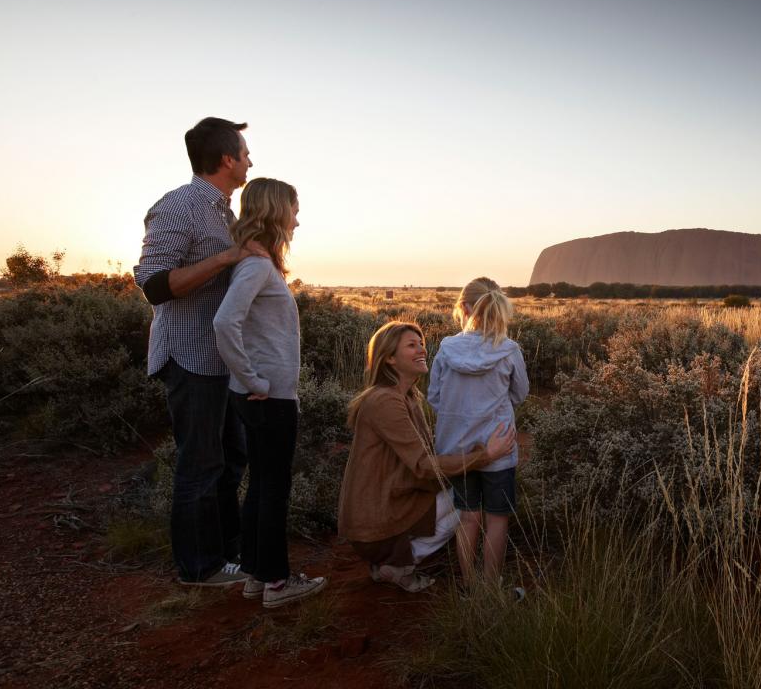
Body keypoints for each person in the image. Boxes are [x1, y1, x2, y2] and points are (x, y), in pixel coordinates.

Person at [133, 117, 264, 586]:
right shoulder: (180, 206)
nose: (251, 159)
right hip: (189, 357)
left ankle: (225, 556)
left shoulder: (226, 213)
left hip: (221, 359)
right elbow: (153, 285)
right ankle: (198, 569)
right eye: (245, 152)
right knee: (200, 464)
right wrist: (228, 257)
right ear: (227, 158)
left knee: (230, 459)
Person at [213, 178, 326, 608]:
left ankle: (256, 576)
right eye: (294, 210)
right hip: (267, 397)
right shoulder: (257, 267)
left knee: (261, 484)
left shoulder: (258, 263)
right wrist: (254, 379)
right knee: (273, 487)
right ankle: (278, 582)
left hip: (260, 394)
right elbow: (225, 324)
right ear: (277, 211)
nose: (298, 219)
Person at [337, 321, 515, 592]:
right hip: (375, 523)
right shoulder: (385, 401)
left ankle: (391, 561)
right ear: (390, 359)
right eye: (412, 345)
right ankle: (399, 564)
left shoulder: (407, 396)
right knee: (465, 502)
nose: (422, 349)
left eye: (421, 343)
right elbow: (423, 465)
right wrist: (485, 455)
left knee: (463, 495)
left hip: (388, 506)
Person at [428, 277, 529, 586]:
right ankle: (490, 585)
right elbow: (520, 394)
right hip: (499, 448)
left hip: (458, 451)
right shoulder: (509, 350)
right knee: (497, 519)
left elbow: (434, 397)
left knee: (468, 517)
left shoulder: (446, 348)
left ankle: (469, 585)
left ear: (465, 307)